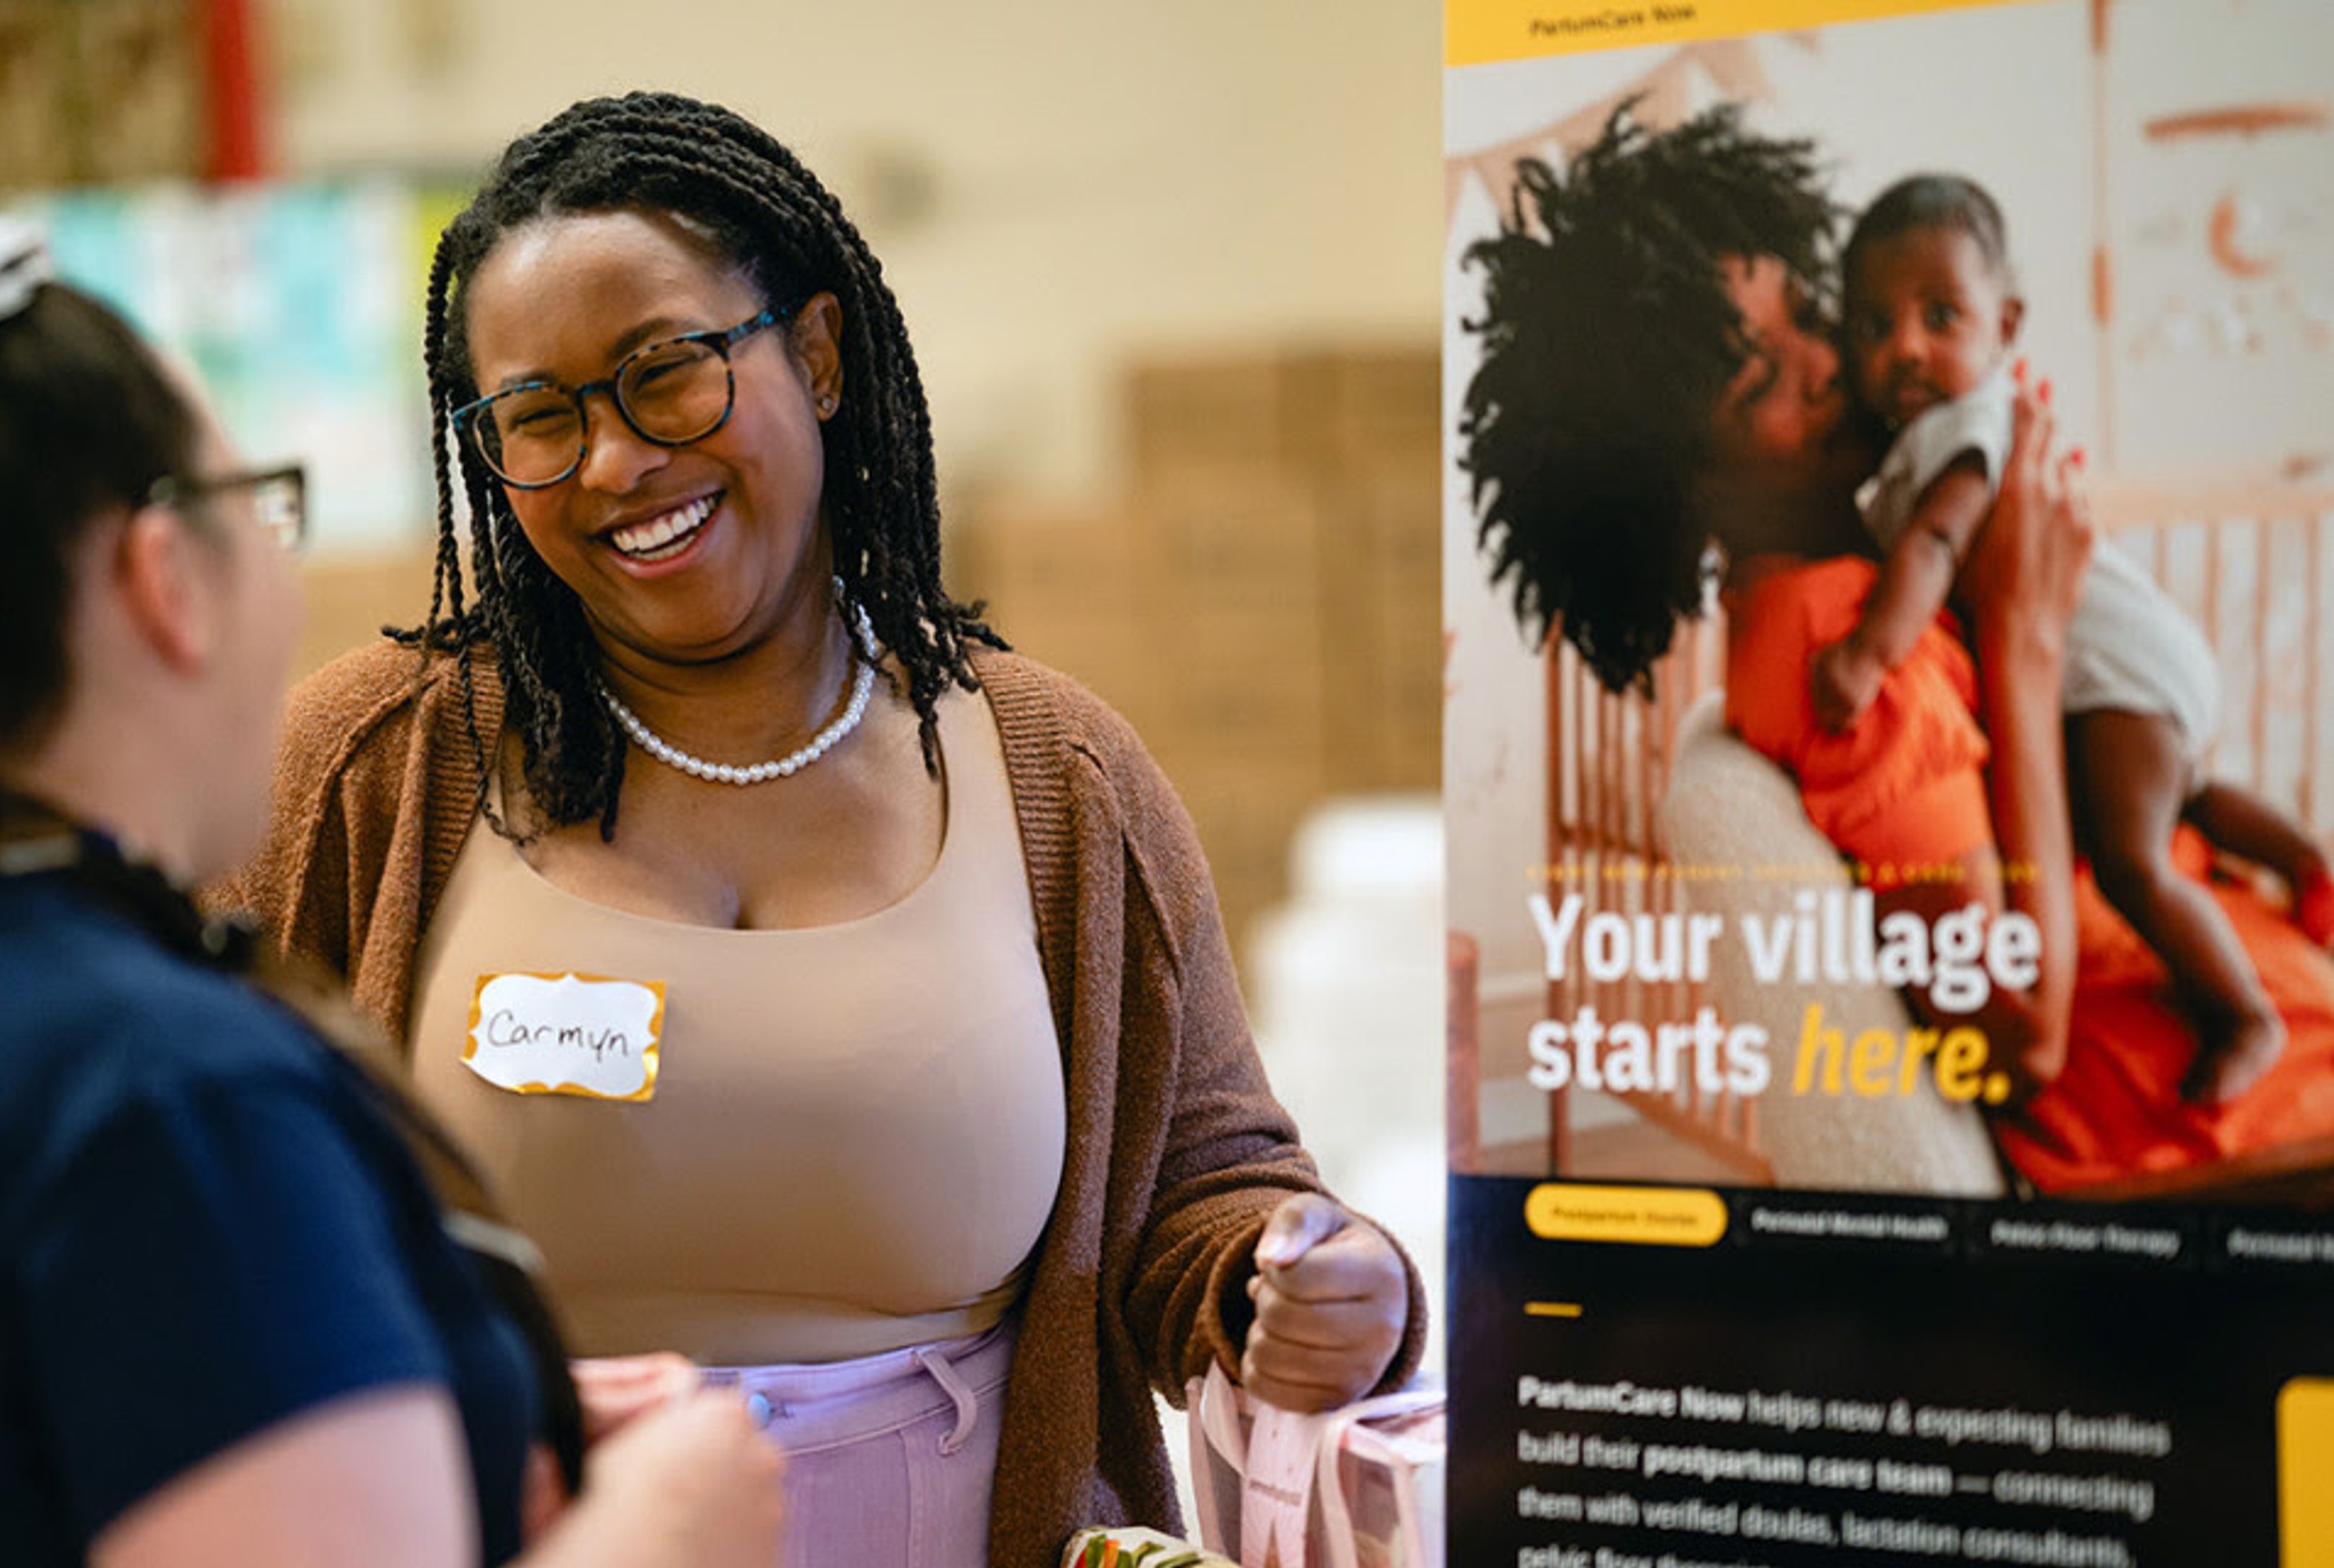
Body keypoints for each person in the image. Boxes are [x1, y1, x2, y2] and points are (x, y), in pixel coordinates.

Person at [227, 92, 1423, 1566]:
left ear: (816, 350)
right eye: (539, 416)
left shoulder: (1055, 775)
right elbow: (205, 1174)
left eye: (663, 374)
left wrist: (1299, 1282)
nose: (612, 463)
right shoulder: (375, 768)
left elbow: (1208, 1186)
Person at [0, 203, 783, 1568]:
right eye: (255, 503)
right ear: (163, 578)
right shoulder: (165, 1099)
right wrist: (665, 1528)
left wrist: (430, 1405)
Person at [1460, 104, 2334, 1193]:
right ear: (1683, 496)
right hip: (2208, 1125)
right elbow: (2019, 1035)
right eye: (1758, 383)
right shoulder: (1838, 645)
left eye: (1812, 319)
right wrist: (2024, 636)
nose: (1830, 365)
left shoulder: (1864, 571)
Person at [1813, 172, 2333, 1105]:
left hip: (2114, 669)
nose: (1905, 348)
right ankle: (2304, 856)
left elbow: (1936, 543)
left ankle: (2242, 1013)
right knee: (2187, 795)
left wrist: (1864, 655)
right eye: (1873, 326)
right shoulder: (1926, 437)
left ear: (2005, 327)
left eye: (1940, 315)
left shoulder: (1963, 427)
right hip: (2141, 659)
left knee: (2133, 860)